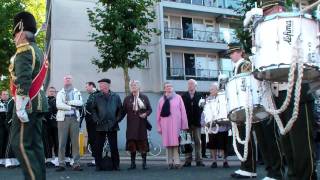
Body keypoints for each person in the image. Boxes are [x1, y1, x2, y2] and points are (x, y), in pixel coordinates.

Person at [9, 11, 48, 180]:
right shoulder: (37, 50)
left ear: (22, 32)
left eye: (16, 34)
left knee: (20, 144)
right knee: (35, 145)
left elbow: (23, 78)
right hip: (38, 103)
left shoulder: (24, 51)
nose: (14, 38)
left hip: (27, 104)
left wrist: (20, 103)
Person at [91, 78, 122, 171]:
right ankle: (98, 165)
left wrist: (117, 120)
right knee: (98, 147)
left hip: (113, 125)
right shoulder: (96, 96)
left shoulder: (116, 96)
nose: (100, 86)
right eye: (100, 85)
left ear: (107, 85)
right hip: (100, 125)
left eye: (101, 84)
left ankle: (116, 165)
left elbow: (120, 109)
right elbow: (93, 109)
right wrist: (96, 119)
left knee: (114, 147)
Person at [156, 82, 189, 169]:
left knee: (175, 144)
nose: (169, 88)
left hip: (176, 125)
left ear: (173, 88)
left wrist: (184, 125)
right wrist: (159, 127)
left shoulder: (178, 98)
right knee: (168, 144)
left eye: (170, 86)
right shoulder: (161, 100)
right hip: (165, 125)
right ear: (164, 89)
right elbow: (158, 115)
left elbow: (183, 112)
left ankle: (177, 162)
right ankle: (169, 162)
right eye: (167, 86)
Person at [122, 80, 152, 170]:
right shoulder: (127, 99)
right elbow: (123, 111)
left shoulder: (144, 97)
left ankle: (144, 163)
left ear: (139, 87)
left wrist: (146, 114)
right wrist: (116, 120)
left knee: (143, 144)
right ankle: (132, 163)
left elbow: (149, 109)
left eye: (135, 85)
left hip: (141, 125)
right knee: (132, 144)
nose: (133, 87)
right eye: (131, 85)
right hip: (131, 125)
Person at [56, 75, 83, 172]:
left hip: (74, 119)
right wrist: (71, 107)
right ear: (64, 81)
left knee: (75, 143)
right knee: (62, 143)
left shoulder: (77, 92)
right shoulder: (60, 93)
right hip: (63, 119)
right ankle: (61, 163)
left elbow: (80, 103)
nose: (67, 80)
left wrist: (68, 102)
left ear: (72, 80)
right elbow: (58, 105)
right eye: (66, 79)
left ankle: (76, 163)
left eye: (69, 79)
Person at [201, 84, 230, 169]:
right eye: (210, 90)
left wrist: (228, 124)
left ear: (217, 90)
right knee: (212, 145)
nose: (211, 91)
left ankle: (225, 161)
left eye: (212, 89)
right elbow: (204, 112)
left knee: (224, 145)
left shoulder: (223, 98)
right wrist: (203, 122)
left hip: (222, 126)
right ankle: (214, 161)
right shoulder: (207, 100)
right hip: (211, 127)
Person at [182, 79, 205, 167]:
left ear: (196, 86)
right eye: (189, 84)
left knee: (198, 142)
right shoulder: (183, 96)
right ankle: (188, 160)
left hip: (197, 122)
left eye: (192, 84)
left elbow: (203, 109)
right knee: (186, 141)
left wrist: (202, 120)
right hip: (186, 123)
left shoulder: (200, 96)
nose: (190, 85)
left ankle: (199, 160)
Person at [44, 87, 59, 167]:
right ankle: (48, 158)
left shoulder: (57, 100)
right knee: (47, 143)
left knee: (57, 141)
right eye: (50, 91)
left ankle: (57, 158)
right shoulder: (44, 100)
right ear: (47, 92)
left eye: (53, 91)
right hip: (46, 124)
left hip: (56, 124)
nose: (52, 93)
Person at [84, 82, 98, 167]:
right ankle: (95, 159)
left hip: (94, 122)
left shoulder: (97, 94)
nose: (86, 89)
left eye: (86, 87)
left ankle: (97, 159)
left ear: (91, 86)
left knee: (95, 140)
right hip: (90, 122)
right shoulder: (91, 95)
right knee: (92, 140)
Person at [0, 91, 9, 166]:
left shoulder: (10, 103)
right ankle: (0, 159)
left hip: (8, 126)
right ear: (1, 96)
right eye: (4, 94)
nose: (5, 96)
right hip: (1, 126)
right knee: (1, 142)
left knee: (7, 142)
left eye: (7, 94)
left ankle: (6, 159)